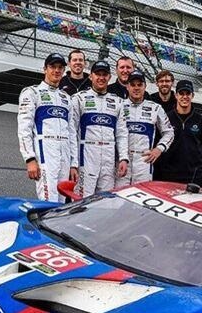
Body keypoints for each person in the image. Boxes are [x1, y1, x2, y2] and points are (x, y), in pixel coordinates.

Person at [17, 52, 74, 203]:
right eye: (52, 67)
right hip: (45, 154)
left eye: (60, 68)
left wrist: (74, 163)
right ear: (45, 69)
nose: (56, 71)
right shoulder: (31, 92)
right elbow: (24, 128)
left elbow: (72, 132)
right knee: (48, 202)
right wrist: (29, 159)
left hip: (65, 155)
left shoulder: (66, 98)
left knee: (62, 202)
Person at [70, 60, 129, 196]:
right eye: (98, 74)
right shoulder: (79, 98)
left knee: (105, 202)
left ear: (109, 77)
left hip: (109, 157)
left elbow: (121, 132)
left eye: (104, 74)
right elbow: (72, 131)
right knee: (82, 201)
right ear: (91, 76)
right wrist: (73, 162)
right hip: (86, 156)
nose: (101, 78)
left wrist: (123, 158)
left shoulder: (118, 101)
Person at [116, 70, 174, 186]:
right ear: (127, 86)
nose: (136, 88)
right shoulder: (119, 105)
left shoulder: (155, 108)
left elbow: (169, 132)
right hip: (122, 158)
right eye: (133, 85)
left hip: (144, 160)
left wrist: (159, 149)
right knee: (118, 197)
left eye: (139, 85)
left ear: (145, 86)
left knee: (139, 198)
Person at [154, 80, 202, 185]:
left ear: (192, 96)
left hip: (193, 177)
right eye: (181, 93)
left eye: (188, 94)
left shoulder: (201, 121)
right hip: (167, 175)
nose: (184, 97)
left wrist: (201, 174)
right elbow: (157, 145)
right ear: (176, 95)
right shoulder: (166, 118)